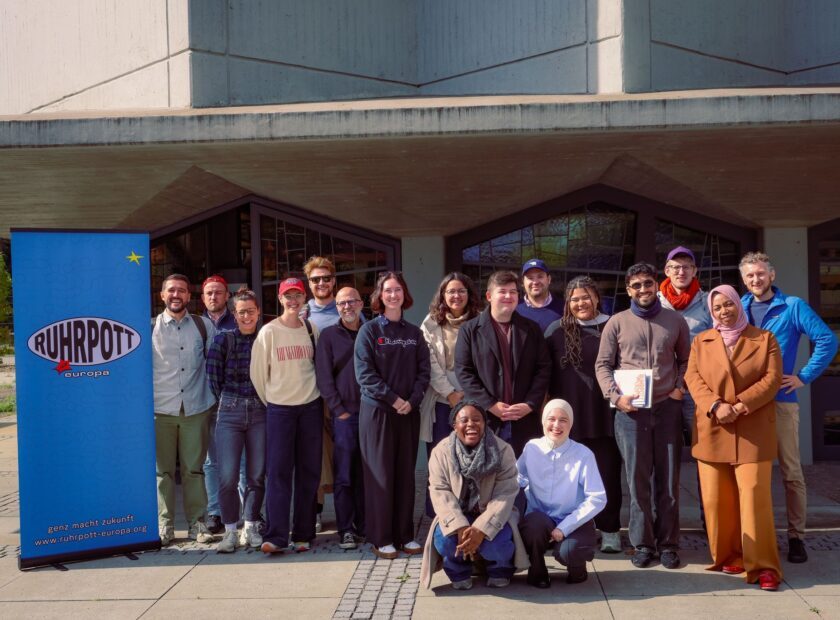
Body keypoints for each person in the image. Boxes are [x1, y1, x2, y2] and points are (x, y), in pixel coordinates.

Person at [740, 251, 838, 564]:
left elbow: (826, 339)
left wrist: (803, 376)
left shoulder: (792, 306)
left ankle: (796, 536)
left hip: (781, 402)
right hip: (746, 404)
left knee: (791, 472)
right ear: (744, 280)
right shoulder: (737, 308)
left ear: (772, 275)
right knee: (751, 474)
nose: (756, 279)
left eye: (760, 273)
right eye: (750, 275)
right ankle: (756, 534)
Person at [685, 284, 784, 591]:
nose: (723, 311)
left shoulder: (764, 338)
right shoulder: (702, 341)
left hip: (752, 428)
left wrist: (741, 404)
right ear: (711, 313)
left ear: (737, 306)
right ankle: (731, 554)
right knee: (716, 501)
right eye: (717, 308)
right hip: (713, 428)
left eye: (728, 305)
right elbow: (692, 377)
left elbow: (772, 378)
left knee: (754, 498)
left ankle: (764, 565)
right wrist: (716, 405)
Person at [595, 262, 690, 569]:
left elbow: (687, 359)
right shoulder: (617, 323)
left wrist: (678, 388)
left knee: (669, 479)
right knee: (637, 482)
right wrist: (615, 396)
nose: (643, 290)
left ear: (656, 285)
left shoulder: (675, 320)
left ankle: (668, 544)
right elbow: (603, 365)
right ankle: (643, 544)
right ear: (628, 290)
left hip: (666, 408)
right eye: (636, 286)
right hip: (630, 414)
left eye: (648, 284)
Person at [354, 271, 430, 559]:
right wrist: (394, 399)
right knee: (381, 476)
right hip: (378, 414)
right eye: (388, 290)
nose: (393, 295)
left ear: (405, 294)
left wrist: (412, 400)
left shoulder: (414, 334)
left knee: (405, 475)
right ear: (380, 296)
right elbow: (365, 375)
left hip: (408, 413)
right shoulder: (370, 331)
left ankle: (405, 535)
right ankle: (381, 537)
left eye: (398, 289)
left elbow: (425, 372)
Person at [545, 275, 622, 554]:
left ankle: (610, 529)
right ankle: (573, 528)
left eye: (586, 296)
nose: (581, 303)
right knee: (570, 479)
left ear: (597, 298)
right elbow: (544, 371)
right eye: (575, 298)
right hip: (568, 416)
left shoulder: (613, 324)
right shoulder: (556, 329)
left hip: (605, 413)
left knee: (607, 474)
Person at [420, 401, 528, 591]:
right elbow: (439, 490)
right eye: (464, 420)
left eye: (477, 419)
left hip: (492, 514)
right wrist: (459, 525)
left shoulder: (503, 451)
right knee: (445, 541)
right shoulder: (441, 452)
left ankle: (500, 569)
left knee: (497, 544)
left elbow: (506, 493)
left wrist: (481, 529)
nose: (471, 424)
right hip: (457, 513)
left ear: (485, 424)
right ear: (455, 425)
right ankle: (458, 571)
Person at [250, 277, 322, 554]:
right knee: (278, 473)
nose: (293, 301)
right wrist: (274, 401)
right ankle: (276, 536)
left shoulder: (311, 329)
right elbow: (258, 374)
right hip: (279, 409)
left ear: (305, 299)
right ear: (280, 300)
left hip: (310, 407)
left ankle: (303, 534)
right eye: (287, 296)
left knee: (308, 472)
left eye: (298, 296)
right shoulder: (269, 332)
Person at [455, 270, 551, 457]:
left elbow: (544, 369)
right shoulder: (470, 330)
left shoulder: (531, 329)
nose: (508, 296)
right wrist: (490, 404)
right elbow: (464, 372)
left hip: (524, 420)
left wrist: (530, 404)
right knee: (487, 480)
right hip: (485, 418)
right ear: (489, 296)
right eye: (502, 291)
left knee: (523, 479)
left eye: (513, 292)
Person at [152, 274, 217, 546]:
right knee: (162, 472)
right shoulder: (149, 328)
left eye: (182, 290)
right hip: (160, 410)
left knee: (194, 470)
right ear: (162, 295)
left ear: (189, 297)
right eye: (171, 290)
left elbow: (215, 366)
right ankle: (164, 525)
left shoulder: (203, 326)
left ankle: (197, 524)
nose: (176, 294)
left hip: (196, 408)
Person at [517, 399, 606, 588]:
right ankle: (537, 570)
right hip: (540, 518)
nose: (556, 425)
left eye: (563, 420)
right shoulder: (531, 448)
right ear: (543, 421)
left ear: (571, 424)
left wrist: (564, 527)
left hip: (573, 518)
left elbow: (597, 497)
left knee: (570, 551)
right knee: (531, 528)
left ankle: (577, 569)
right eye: (551, 419)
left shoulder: (583, 454)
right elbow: (517, 478)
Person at [206, 287, 266, 553]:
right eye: (241, 312)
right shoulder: (223, 340)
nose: (246, 316)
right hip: (229, 410)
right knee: (228, 476)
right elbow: (213, 378)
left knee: (256, 475)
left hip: (259, 410)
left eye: (250, 311)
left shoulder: (265, 339)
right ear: (234, 314)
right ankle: (231, 531)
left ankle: (251, 527)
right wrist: (228, 402)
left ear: (258, 313)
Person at [419, 272, 483, 516]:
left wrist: (470, 394)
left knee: (472, 456)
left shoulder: (481, 321)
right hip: (441, 399)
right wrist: (451, 394)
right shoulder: (430, 323)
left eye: (461, 291)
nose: (456, 296)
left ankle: (470, 509)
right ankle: (439, 512)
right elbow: (430, 364)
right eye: (451, 291)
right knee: (442, 456)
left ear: (469, 295)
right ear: (443, 296)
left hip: (475, 398)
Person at [658, 246, 712, 530]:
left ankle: (710, 519)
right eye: (675, 267)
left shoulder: (708, 303)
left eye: (686, 267)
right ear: (666, 271)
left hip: (697, 395)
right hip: (665, 395)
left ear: (694, 272)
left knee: (706, 458)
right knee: (666, 462)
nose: (681, 271)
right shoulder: (653, 303)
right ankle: (667, 526)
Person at [315, 287, 366, 550]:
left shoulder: (372, 331)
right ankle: (346, 528)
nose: (347, 306)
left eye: (352, 302)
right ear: (336, 307)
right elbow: (324, 377)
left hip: (372, 416)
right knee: (344, 475)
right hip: (345, 416)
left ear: (361, 303)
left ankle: (366, 525)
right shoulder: (328, 336)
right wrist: (338, 410)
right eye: (342, 303)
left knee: (368, 473)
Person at [301, 255, 341, 534]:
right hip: (311, 394)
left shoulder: (347, 310)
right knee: (314, 455)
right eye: (316, 279)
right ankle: (314, 512)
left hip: (341, 395)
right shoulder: (302, 314)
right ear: (309, 283)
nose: (322, 283)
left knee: (343, 453)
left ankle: (347, 514)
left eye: (326, 278)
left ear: (333, 280)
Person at [201, 274, 237, 535]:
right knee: (212, 462)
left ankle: (250, 512)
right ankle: (215, 512)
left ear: (227, 296)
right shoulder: (195, 324)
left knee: (243, 461)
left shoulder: (239, 320)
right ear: (203, 298)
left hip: (236, 401)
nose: (214, 297)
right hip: (206, 403)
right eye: (209, 293)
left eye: (218, 292)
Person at [515, 258, 565, 332]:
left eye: (540, 276)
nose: (535, 282)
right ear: (523, 282)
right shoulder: (515, 308)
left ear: (549, 279)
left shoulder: (565, 308)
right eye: (530, 278)